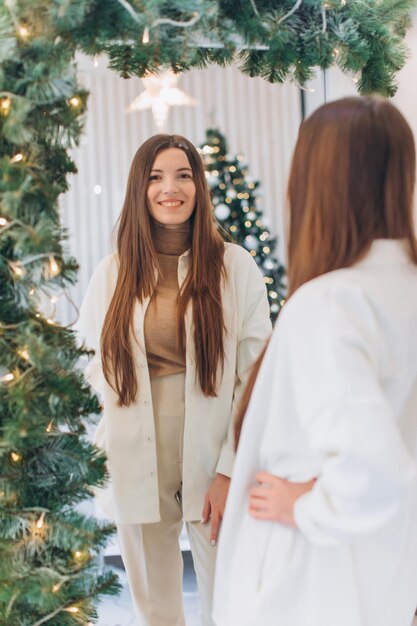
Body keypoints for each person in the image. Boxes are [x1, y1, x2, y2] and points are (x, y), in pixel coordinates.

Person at [213, 96, 417, 626]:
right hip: (381, 583)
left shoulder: (331, 305)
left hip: (308, 588)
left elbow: (376, 471)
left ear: (316, 184)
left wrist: (305, 505)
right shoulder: (399, 292)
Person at [77, 134, 271, 626]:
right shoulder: (114, 272)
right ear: (140, 189)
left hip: (211, 448)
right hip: (133, 451)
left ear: (198, 186)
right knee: (156, 608)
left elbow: (255, 374)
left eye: (183, 175)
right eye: (156, 176)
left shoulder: (234, 267)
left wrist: (229, 469)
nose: (171, 188)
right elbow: (86, 361)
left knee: (227, 598)